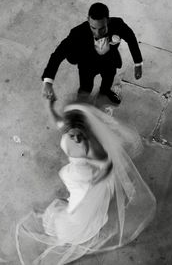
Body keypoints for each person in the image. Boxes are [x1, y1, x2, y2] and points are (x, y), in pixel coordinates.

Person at [16, 99, 156, 265]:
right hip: (75, 174)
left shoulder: (93, 146)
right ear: (67, 128)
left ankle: (67, 228)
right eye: (71, 134)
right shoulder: (66, 128)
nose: (75, 138)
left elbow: (107, 166)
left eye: (79, 135)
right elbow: (57, 120)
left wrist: (95, 184)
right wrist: (49, 104)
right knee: (72, 203)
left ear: (85, 130)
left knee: (77, 209)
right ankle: (56, 214)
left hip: (86, 181)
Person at [42, 2, 143, 105]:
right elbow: (58, 54)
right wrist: (48, 82)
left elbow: (131, 39)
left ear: (108, 20)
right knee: (85, 88)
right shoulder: (77, 33)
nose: (97, 34)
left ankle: (104, 92)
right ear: (88, 20)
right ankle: (82, 103)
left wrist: (138, 63)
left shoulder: (118, 25)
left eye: (102, 28)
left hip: (109, 62)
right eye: (93, 28)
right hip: (87, 64)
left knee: (108, 80)